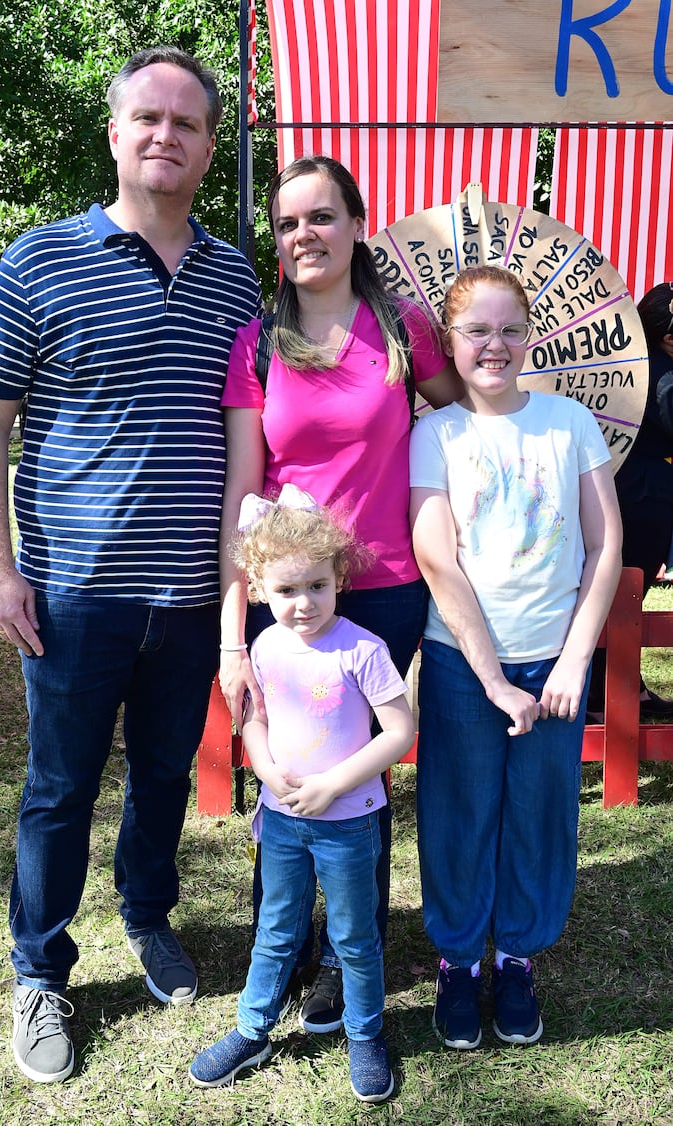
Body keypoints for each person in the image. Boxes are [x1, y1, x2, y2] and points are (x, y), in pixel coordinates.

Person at [0, 46, 262, 1084]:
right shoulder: (38, 260)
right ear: (115, 131)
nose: (165, 135)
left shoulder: (235, 275)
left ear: (210, 146)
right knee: (58, 789)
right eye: (147, 117)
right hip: (74, 595)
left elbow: (245, 430)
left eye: (186, 123)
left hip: (186, 598)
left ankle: (146, 911)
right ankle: (39, 971)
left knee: (166, 777)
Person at [218, 154, 460, 1034]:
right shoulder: (257, 342)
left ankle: (345, 954)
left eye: (320, 217)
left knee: (356, 778)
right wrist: (232, 634)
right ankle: (280, 942)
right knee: (281, 767)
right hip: (279, 593)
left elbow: (468, 418)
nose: (303, 236)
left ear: (356, 225)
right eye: (286, 224)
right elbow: (240, 493)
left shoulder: (405, 330)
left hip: (385, 591)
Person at [409, 266, 622, 1050]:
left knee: (540, 812)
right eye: (476, 331)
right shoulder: (433, 435)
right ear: (451, 342)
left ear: (531, 335)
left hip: (553, 664)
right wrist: (492, 678)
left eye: (509, 330)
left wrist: (573, 661)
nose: (493, 346)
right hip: (466, 667)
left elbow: (605, 546)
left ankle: (517, 954)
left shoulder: (570, 423)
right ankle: (461, 959)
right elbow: (438, 559)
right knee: (459, 813)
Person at [189, 490, 415, 1101]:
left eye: (317, 586)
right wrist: (262, 765)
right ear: (260, 589)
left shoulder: (362, 650)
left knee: (355, 937)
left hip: (349, 821)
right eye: (286, 591)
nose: (303, 603)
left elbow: (400, 730)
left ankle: (365, 1034)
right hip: (282, 821)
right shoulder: (264, 648)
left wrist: (334, 785)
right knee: (275, 928)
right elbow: (255, 721)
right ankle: (253, 1029)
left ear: (340, 577)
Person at [587, 280, 673, 720]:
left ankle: (625, 687)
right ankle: (609, 693)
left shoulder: (645, 366)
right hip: (644, 496)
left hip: (639, 491)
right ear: (669, 334)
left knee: (627, 593)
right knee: (627, 594)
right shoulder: (663, 374)